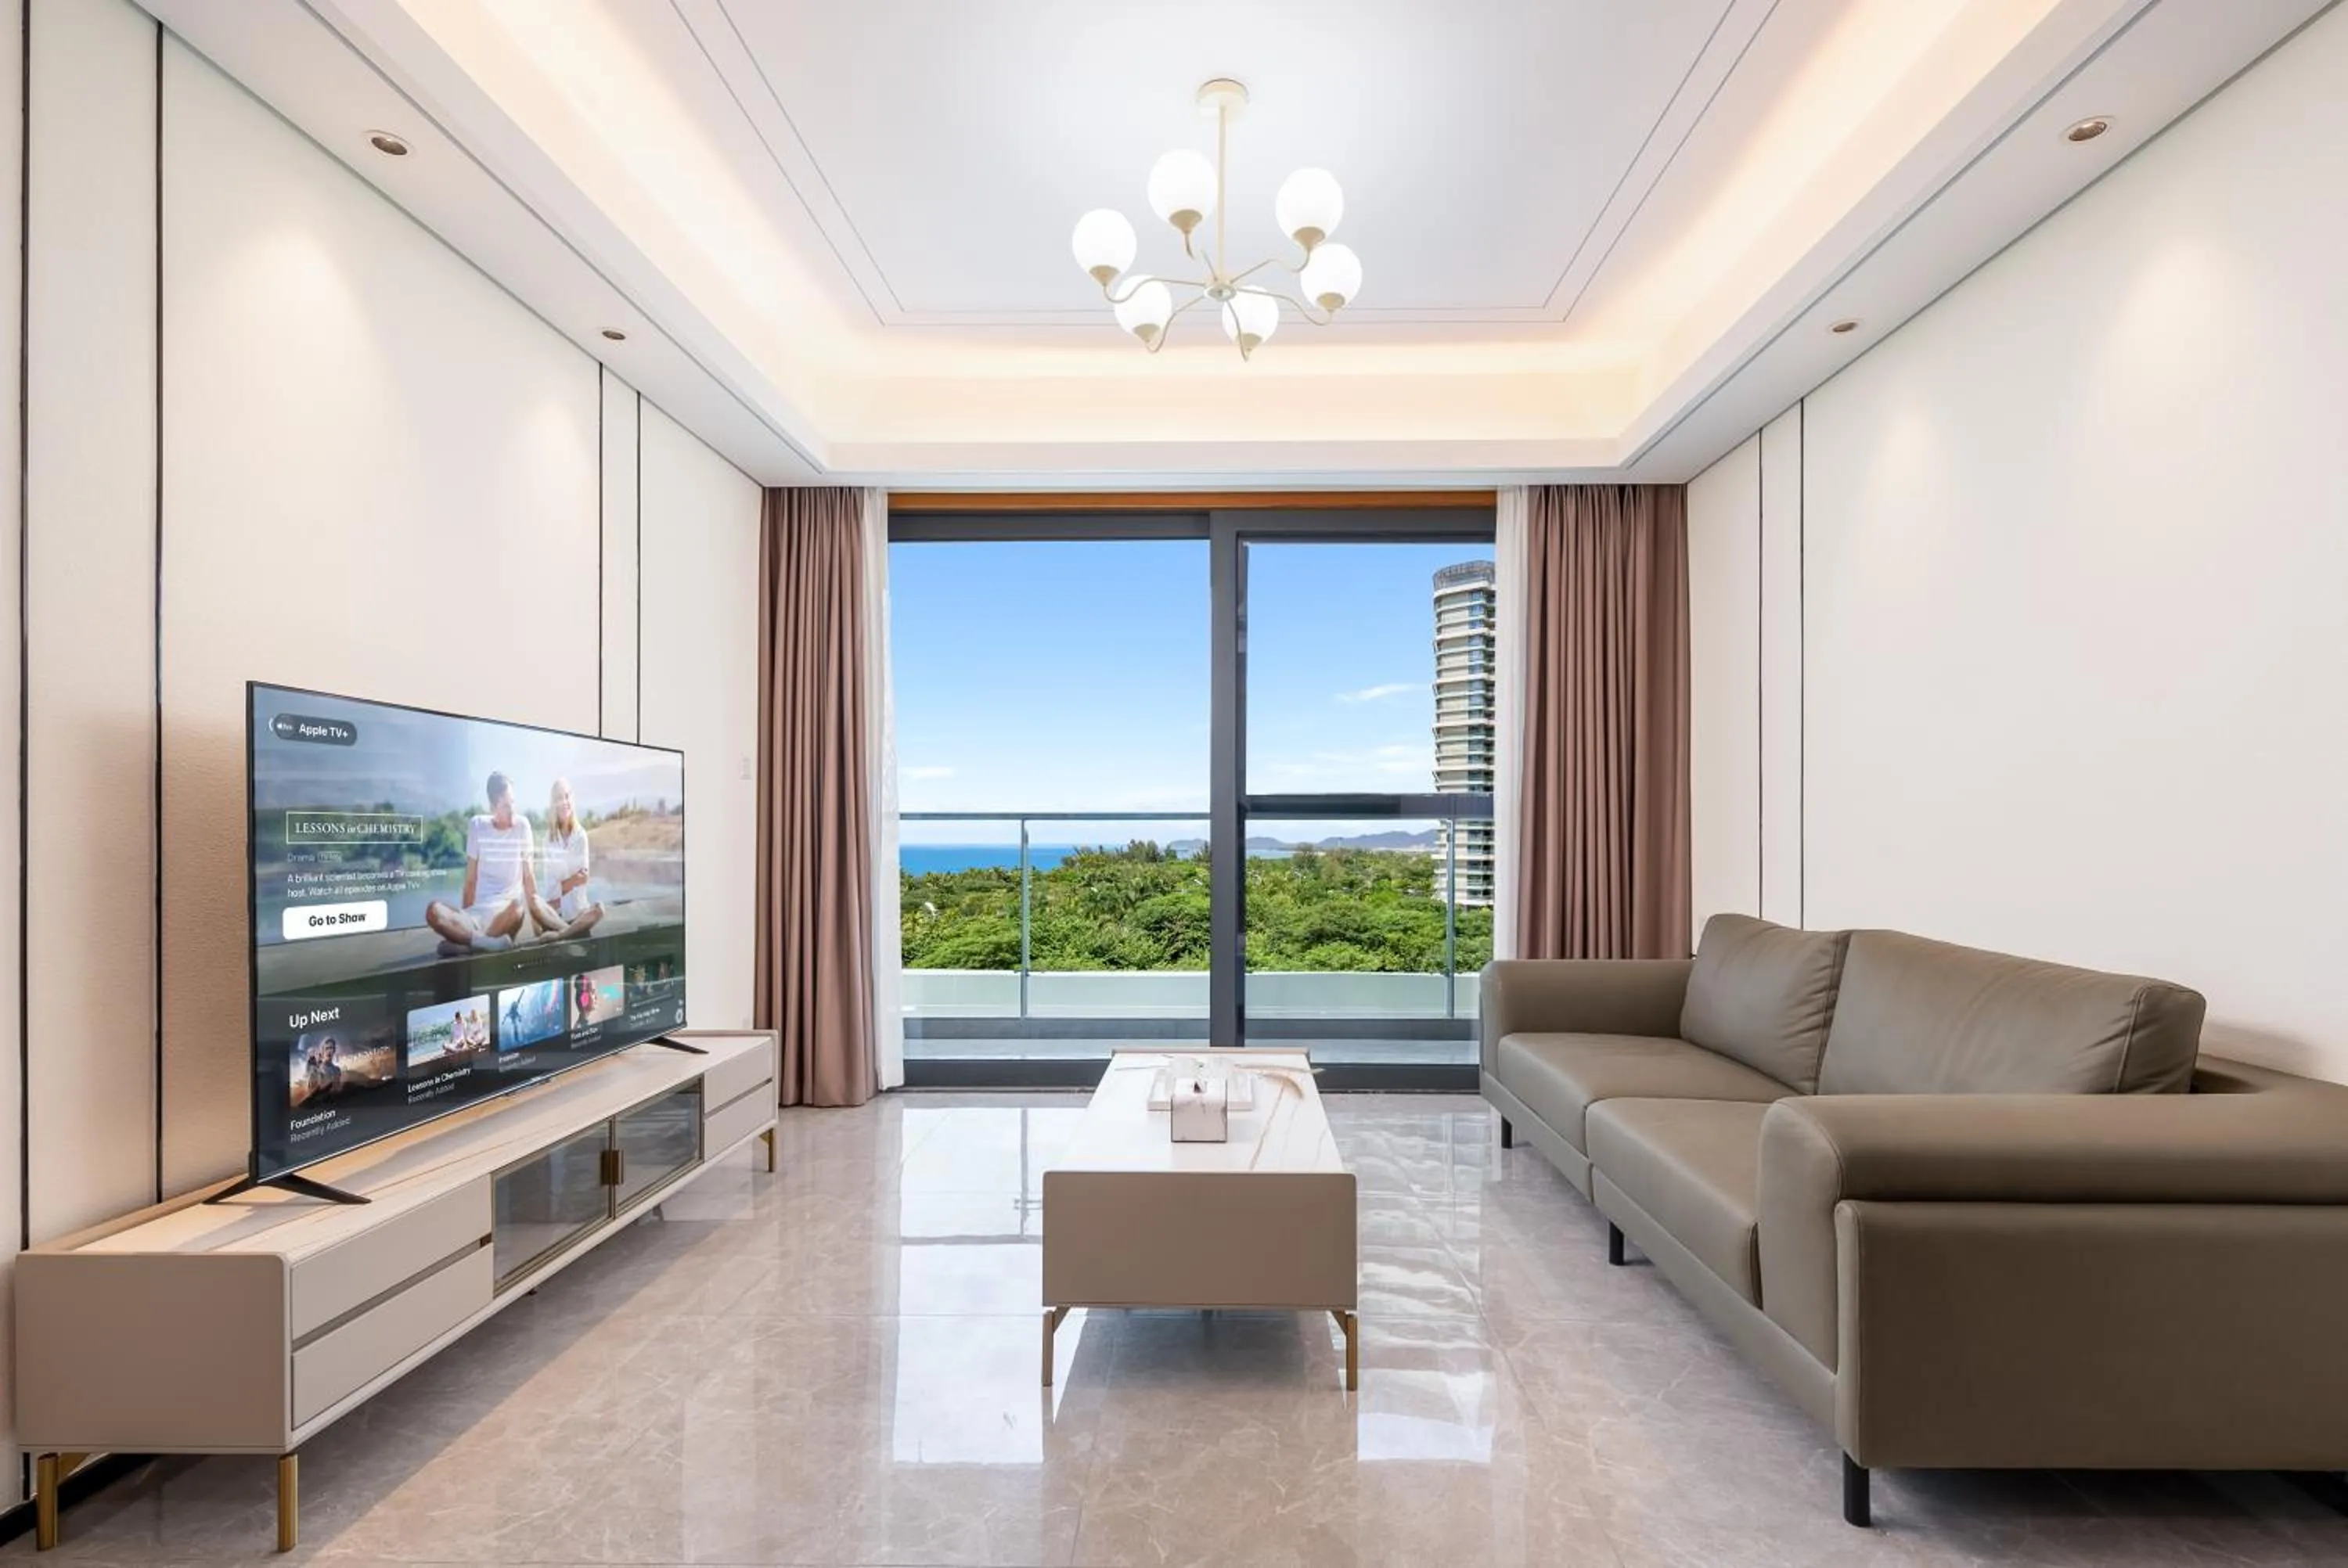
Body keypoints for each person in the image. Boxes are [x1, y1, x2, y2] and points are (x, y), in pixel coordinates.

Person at [425, 771, 538, 955]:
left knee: (518, 909)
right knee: (434, 911)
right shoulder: (477, 825)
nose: (512, 812)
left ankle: (466, 945)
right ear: (493, 807)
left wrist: (538, 929)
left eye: (513, 804)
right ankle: (481, 943)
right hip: (476, 915)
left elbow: (529, 878)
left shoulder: (522, 826)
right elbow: (470, 881)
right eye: (505, 807)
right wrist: (463, 919)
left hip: (505, 917)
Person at [530, 779, 606, 939]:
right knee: (535, 902)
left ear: (572, 799)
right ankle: (569, 931)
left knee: (599, 909)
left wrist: (564, 887)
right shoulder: (548, 840)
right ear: (553, 804)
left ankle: (560, 935)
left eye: (567, 796)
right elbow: (551, 891)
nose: (564, 802)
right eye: (559, 798)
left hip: (578, 912)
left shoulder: (581, 836)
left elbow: (584, 879)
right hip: (555, 915)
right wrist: (572, 882)